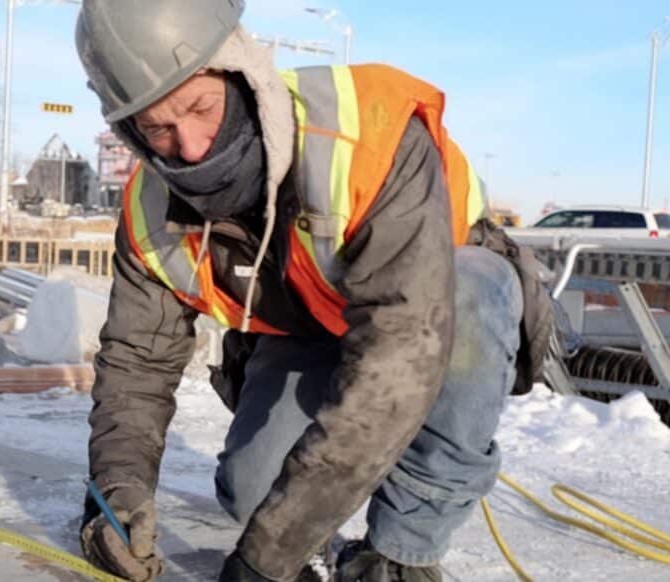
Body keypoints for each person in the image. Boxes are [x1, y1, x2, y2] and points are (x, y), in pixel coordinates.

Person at [74, 1, 553, 581]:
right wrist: (116, 495)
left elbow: (401, 351)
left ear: (242, 74)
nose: (193, 146)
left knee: (472, 293)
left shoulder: (367, 137)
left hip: (435, 322)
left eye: (202, 107)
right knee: (256, 494)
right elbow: (137, 361)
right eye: (158, 129)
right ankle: (345, 480)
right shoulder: (147, 210)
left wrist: (265, 560)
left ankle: (402, 552)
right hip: (313, 329)